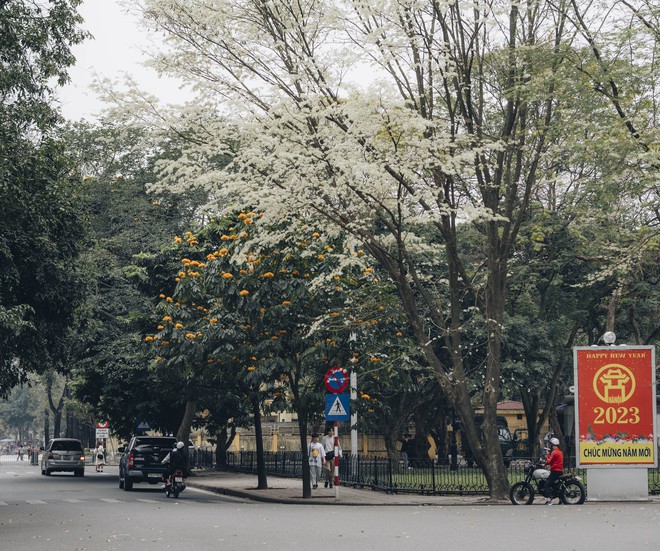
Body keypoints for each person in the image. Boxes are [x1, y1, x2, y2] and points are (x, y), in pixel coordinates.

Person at [544, 437, 564, 505]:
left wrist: (547, 455)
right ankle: (560, 500)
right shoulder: (560, 452)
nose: (551, 446)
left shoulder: (554, 452)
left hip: (555, 471)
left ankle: (549, 500)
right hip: (560, 471)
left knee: (547, 484)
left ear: (554, 445)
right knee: (556, 486)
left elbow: (549, 461)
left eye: (551, 444)